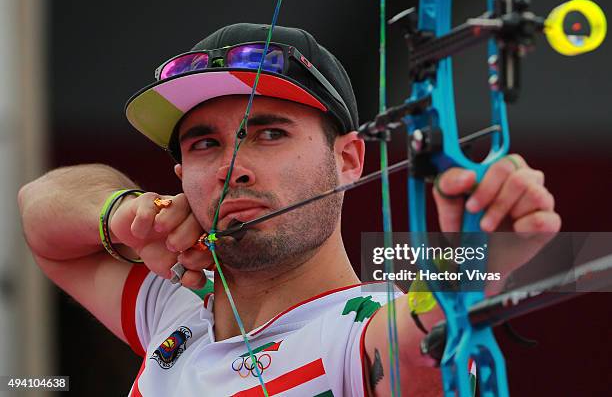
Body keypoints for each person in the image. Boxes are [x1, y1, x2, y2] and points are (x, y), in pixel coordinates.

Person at [18, 23, 560, 396]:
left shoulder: (355, 332)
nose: (233, 168)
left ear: (348, 159)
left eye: (270, 134)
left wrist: (478, 254)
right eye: (205, 144)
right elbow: (39, 211)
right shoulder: (175, 310)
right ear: (182, 178)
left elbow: (420, 351)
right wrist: (127, 214)